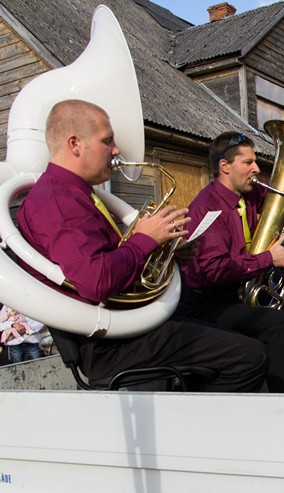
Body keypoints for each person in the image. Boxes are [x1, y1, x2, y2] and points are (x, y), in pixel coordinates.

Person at [17, 100, 267, 392]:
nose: (116, 150)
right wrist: (145, 239)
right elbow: (96, 281)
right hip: (108, 343)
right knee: (249, 357)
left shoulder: (73, 194)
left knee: (233, 337)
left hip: (122, 328)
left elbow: (103, 261)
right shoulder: (58, 200)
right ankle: (192, 429)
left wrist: (166, 251)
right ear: (75, 144)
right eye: (107, 140)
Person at [176, 131, 284, 393]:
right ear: (225, 167)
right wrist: (269, 258)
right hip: (208, 302)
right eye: (248, 162)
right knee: (279, 324)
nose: (257, 168)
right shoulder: (207, 207)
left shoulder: (250, 194)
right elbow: (214, 271)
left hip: (237, 294)